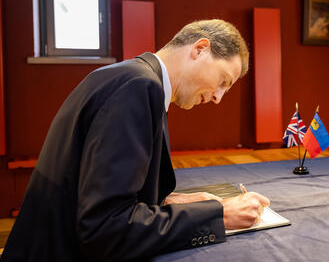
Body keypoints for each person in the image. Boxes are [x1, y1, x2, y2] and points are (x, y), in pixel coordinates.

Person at [0, 19, 270, 262]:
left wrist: (166, 202)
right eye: (223, 81)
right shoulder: (138, 87)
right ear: (200, 49)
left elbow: (98, 192)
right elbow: (106, 228)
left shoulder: (132, 76)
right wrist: (217, 216)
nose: (218, 98)